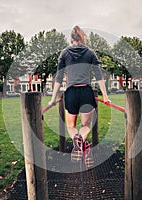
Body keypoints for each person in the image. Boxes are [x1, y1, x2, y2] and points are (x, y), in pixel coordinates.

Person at [48, 25, 110, 168]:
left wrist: (53, 99)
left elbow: (59, 78)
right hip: (86, 92)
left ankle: (77, 141)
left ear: (71, 39)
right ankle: (83, 145)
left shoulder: (64, 53)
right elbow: (99, 76)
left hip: (71, 93)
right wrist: (105, 96)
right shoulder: (90, 53)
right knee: (86, 125)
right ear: (83, 38)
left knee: (70, 126)